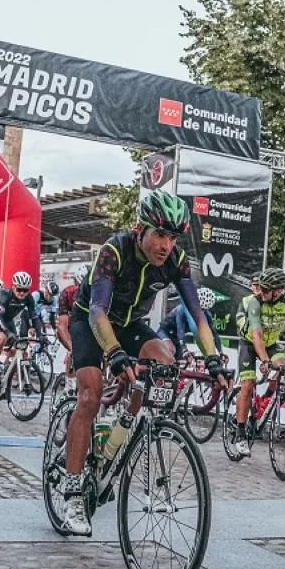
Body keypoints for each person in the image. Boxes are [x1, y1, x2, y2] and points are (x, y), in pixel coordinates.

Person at [63, 190, 227, 536]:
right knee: (90, 397)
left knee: (164, 360)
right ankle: (73, 491)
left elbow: (198, 317)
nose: (166, 245)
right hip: (91, 321)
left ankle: (128, 424)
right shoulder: (114, 251)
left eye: (172, 237)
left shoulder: (175, 260)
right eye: (160, 234)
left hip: (130, 323)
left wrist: (213, 359)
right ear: (141, 229)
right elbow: (97, 311)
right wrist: (114, 352)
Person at [232, 268, 285, 458]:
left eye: (266, 289)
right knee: (248, 385)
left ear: (280, 289)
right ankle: (240, 433)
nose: (262, 292)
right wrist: (265, 361)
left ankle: (265, 400)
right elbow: (257, 336)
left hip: (272, 343)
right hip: (250, 344)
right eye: (261, 288)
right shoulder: (254, 301)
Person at [0, 271, 44, 375]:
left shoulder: (29, 298)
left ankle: (5, 367)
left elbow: (34, 317)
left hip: (7, 320)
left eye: (25, 290)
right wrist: (7, 333)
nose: (22, 293)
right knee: (4, 337)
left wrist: (40, 335)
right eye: (19, 289)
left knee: (17, 344)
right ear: (13, 287)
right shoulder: (4, 294)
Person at [158, 286, 223, 362]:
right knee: (170, 350)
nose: (200, 312)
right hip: (165, 332)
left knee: (181, 363)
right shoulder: (182, 310)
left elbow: (214, 334)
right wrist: (184, 349)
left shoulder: (206, 315)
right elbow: (180, 330)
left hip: (177, 337)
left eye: (203, 310)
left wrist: (221, 352)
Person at [55, 265, 88, 382]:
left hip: (87, 325)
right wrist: (72, 348)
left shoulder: (97, 293)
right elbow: (62, 327)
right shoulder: (67, 293)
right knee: (75, 351)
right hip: (70, 327)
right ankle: (69, 385)